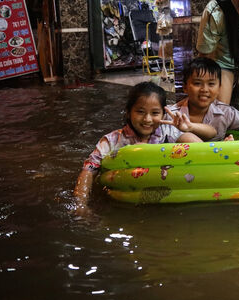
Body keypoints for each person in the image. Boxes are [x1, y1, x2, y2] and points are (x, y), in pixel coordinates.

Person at [73, 82, 203, 212]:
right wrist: (81, 204)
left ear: (163, 114)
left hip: (163, 192)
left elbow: (201, 149)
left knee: (187, 138)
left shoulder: (168, 133)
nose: (147, 119)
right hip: (125, 198)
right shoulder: (112, 140)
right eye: (140, 112)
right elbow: (88, 171)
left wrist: (187, 129)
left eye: (155, 113)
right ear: (129, 112)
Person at [164, 57, 239, 141]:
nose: (205, 89)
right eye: (197, 83)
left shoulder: (225, 112)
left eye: (211, 84)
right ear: (185, 87)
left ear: (219, 88)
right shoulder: (171, 115)